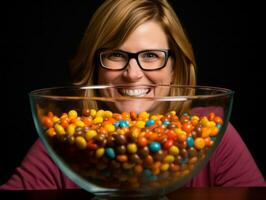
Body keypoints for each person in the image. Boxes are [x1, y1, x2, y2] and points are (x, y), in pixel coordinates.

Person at [1, 0, 265, 190]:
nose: (132, 73)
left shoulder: (210, 135)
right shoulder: (65, 140)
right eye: (116, 55)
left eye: (151, 56)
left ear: (175, 67)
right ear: (94, 66)